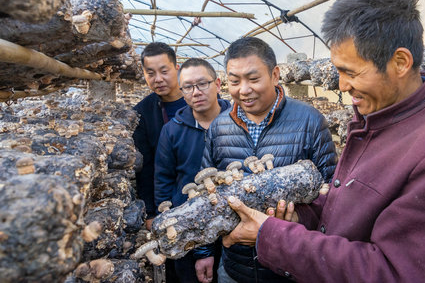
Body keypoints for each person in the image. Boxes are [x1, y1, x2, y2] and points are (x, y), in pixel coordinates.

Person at [222, 0, 425, 283]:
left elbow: (394, 273)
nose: (341, 85)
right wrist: (300, 218)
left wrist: (273, 237)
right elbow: (342, 208)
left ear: (400, 63)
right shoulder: (376, 120)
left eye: (351, 72)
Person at [201, 36, 338, 283]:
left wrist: (297, 219)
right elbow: (207, 195)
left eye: (253, 79)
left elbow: (332, 195)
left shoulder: (309, 121)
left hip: (291, 268)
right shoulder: (218, 128)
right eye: (234, 81)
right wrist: (209, 250)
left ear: (275, 75)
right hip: (235, 268)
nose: (243, 89)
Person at [155, 58, 231, 283]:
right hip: (189, 228)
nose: (196, 92)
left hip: (233, 229)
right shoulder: (172, 131)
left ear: (217, 84)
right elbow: (163, 179)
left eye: (202, 84)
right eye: (188, 87)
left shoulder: (238, 121)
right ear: (182, 91)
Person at [133, 42, 187, 230]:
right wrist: (150, 211)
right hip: (166, 200)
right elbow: (145, 166)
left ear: (177, 68)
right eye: (151, 73)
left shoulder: (197, 100)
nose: (158, 79)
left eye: (164, 71)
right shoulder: (142, 113)